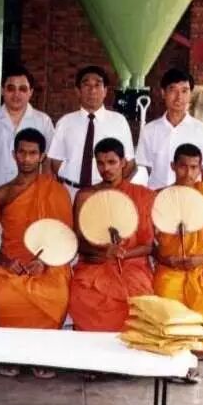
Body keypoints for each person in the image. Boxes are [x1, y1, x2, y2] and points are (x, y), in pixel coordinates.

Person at [0, 128, 72, 379]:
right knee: (4, 296)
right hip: (12, 262)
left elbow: (65, 236)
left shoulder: (56, 191)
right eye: (22, 152)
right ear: (13, 154)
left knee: (57, 292)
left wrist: (45, 262)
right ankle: (11, 354)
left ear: (42, 156)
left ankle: (42, 355)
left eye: (32, 153)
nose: (26, 159)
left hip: (49, 262)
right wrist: (6, 262)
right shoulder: (1, 193)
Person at [152, 144, 203, 361]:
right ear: (173, 166)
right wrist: (165, 259)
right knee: (166, 302)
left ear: (200, 169)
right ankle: (175, 349)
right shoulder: (160, 198)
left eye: (194, 167)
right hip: (170, 268)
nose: (188, 173)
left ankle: (198, 349)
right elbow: (150, 243)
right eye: (183, 167)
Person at [69, 137, 155, 332]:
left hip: (132, 264)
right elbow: (78, 241)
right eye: (100, 163)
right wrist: (103, 252)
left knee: (138, 298)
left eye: (111, 162)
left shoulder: (142, 195)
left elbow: (149, 246)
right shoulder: (85, 195)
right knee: (83, 296)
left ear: (123, 162)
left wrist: (122, 253)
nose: (106, 168)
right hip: (94, 264)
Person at [48, 66, 136, 200]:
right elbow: (55, 159)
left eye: (97, 85)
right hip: (70, 192)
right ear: (78, 91)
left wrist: (113, 187)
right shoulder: (65, 122)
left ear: (105, 91)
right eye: (86, 85)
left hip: (106, 193)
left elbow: (129, 163)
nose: (92, 90)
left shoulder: (119, 121)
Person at [0, 65, 54, 187]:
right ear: (2, 90)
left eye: (22, 89)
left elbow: (47, 163)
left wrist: (46, 191)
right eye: (11, 88)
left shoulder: (43, 122)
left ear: (30, 92)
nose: (16, 94)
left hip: (31, 193)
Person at [136, 69, 203, 190]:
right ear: (163, 93)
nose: (179, 97)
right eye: (173, 90)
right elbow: (144, 169)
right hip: (157, 196)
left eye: (184, 91)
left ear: (190, 94)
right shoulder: (149, 131)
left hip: (190, 196)